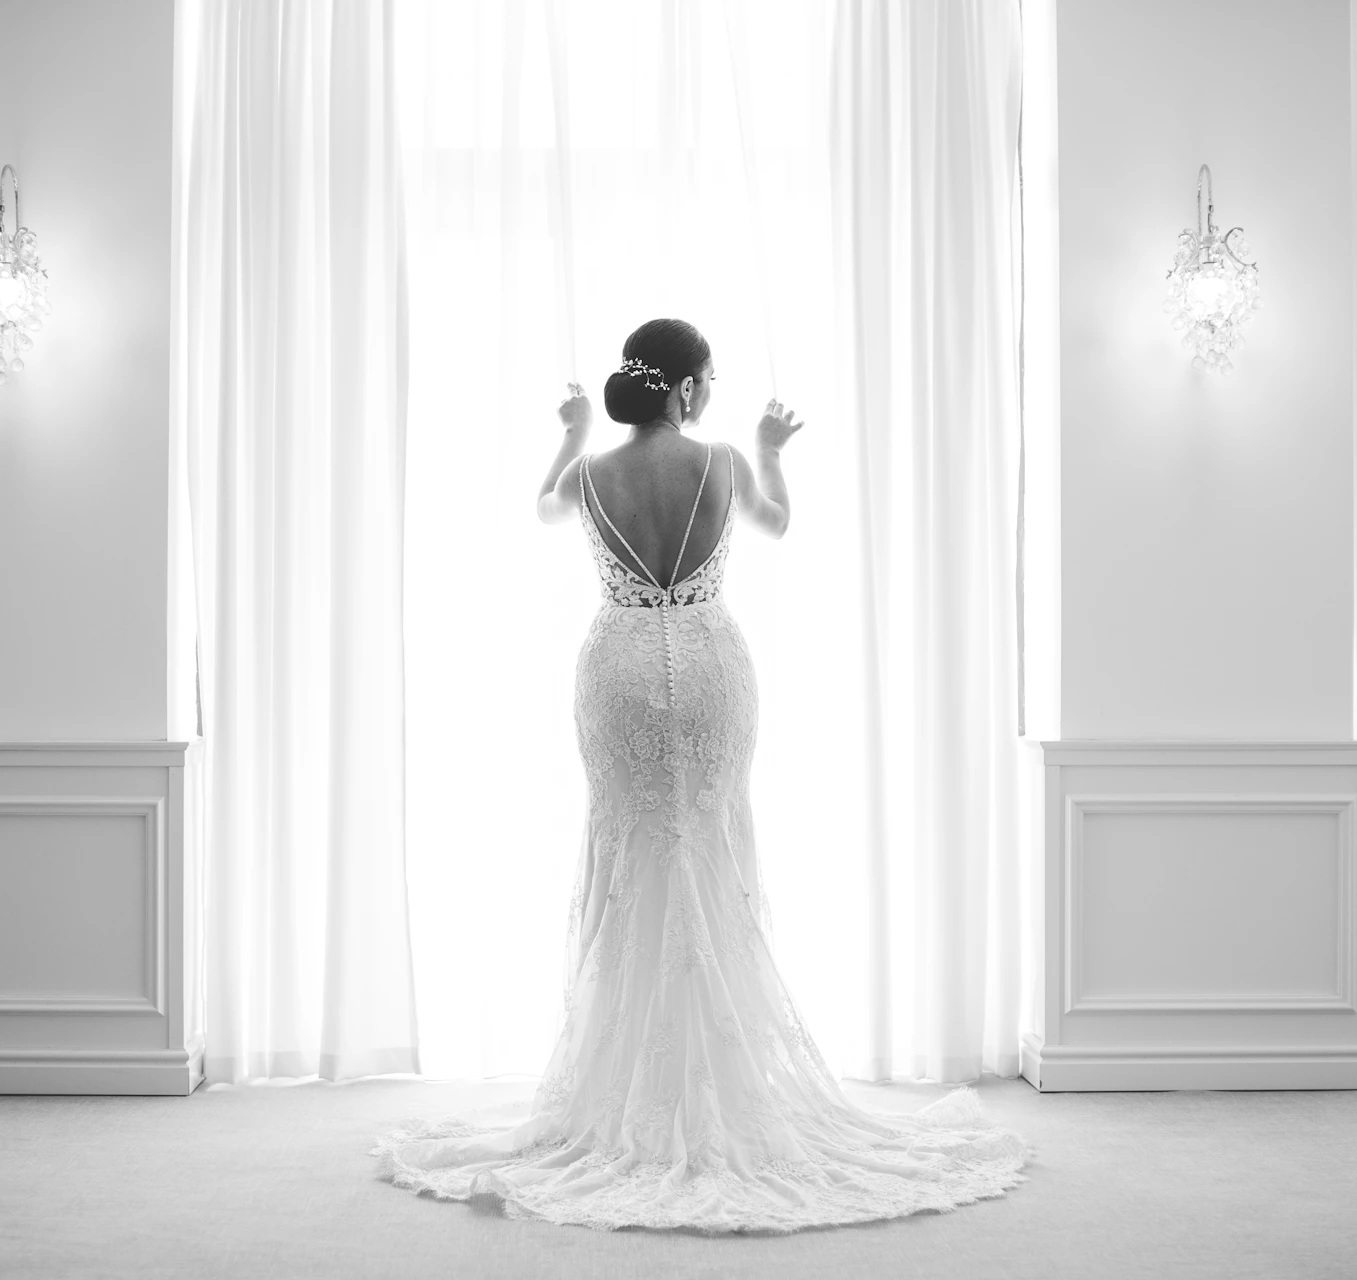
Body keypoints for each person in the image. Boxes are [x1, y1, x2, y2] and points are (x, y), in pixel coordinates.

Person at [372, 319, 1029, 1233]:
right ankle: (707, 1076)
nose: (711, 392)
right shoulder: (722, 463)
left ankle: (625, 1084)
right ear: (684, 389)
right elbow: (778, 521)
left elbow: (544, 507)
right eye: (709, 379)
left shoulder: (591, 474)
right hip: (714, 667)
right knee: (709, 843)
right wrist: (771, 450)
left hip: (618, 671)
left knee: (631, 849)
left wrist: (570, 432)